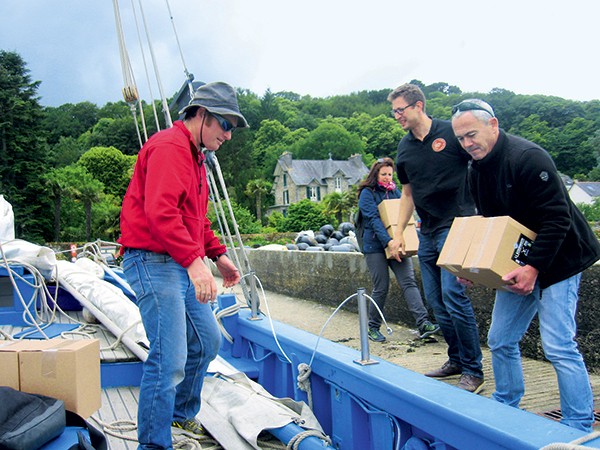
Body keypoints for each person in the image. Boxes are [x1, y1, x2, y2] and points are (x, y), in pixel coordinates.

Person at [451, 98, 600, 432]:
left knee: (558, 345)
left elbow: (558, 218)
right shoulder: (476, 170)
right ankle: (506, 403)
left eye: (472, 134)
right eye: (461, 139)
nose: (467, 143)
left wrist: (533, 268)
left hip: (561, 259)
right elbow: (492, 224)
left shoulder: (528, 158)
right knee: (501, 338)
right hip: (519, 261)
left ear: (493, 125)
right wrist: (474, 266)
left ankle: (578, 422)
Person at [119, 81, 247, 449]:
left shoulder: (195, 158)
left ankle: (179, 414)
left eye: (232, 129)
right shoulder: (169, 148)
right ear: (202, 115)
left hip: (176, 262)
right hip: (151, 261)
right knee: (169, 359)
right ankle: (154, 444)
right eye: (225, 124)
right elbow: (161, 214)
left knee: (207, 341)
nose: (229, 134)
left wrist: (218, 256)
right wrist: (195, 263)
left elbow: (195, 220)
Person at [386, 84, 484, 394]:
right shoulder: (404, 148)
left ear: (418, 106)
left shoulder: (450, 133)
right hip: (426, 230)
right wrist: (398, 233)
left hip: (456, 225)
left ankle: (473, 369)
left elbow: (479, 166)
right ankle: (455, 359)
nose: (397, 116)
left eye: (400, 110)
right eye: (394, 112)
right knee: (436, 302)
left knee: (454, 296)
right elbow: (407, 193)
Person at [357, 157, 440, 342]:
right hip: (374, 246)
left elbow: (404, 215)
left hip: (396, 244)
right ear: (375, 174)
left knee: (408, 281)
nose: (387, 178)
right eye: (383, 174)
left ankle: (423, 323)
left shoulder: (395, 192)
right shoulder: (367, 193)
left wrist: (401, 241)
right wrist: (389, 243)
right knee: (381, 286)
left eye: (389, 174)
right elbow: (373, 220)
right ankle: (372, 327)